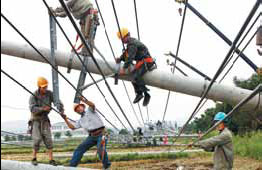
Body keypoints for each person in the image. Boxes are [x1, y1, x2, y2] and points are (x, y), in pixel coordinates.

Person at [62, 97, 111, 170]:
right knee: (79, 149)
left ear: (83, 106)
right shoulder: (80, 120)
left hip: (102, 133)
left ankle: (106, 165)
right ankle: (72, 167)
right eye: (77, 109)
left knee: (100, 149)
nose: (78, 109)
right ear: (76, 112)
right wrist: (65, 119)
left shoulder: (90, 111)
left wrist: (84, 100)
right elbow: (72, 127)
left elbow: (92, 105)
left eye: (79, 107)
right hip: (91, 136)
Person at [29, 77, 64, 166]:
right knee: (37, 139)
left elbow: (57, 101)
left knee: (48, 139)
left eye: (46, 87)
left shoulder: (49, 94)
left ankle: (51, 160)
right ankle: (34, 158)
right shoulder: (33, 95)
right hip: (36, 120)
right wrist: (43, 108)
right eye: (43, 87)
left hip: (45, 120)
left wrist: (61, 109)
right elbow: (32, 109)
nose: (45, 89)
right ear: (39, 87)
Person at [116, 28, 156, 106]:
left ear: (127, 36)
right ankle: (139, 94)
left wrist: (124, 69)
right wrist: (120, 59)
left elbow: (130, 57)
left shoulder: (132, 44)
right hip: (141, 63)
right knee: (133, 76)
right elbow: (126, 54)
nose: (122, 40)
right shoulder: (130, 44)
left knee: (136, 76)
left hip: (147, 62)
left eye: (122, 38)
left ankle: (146, 94)